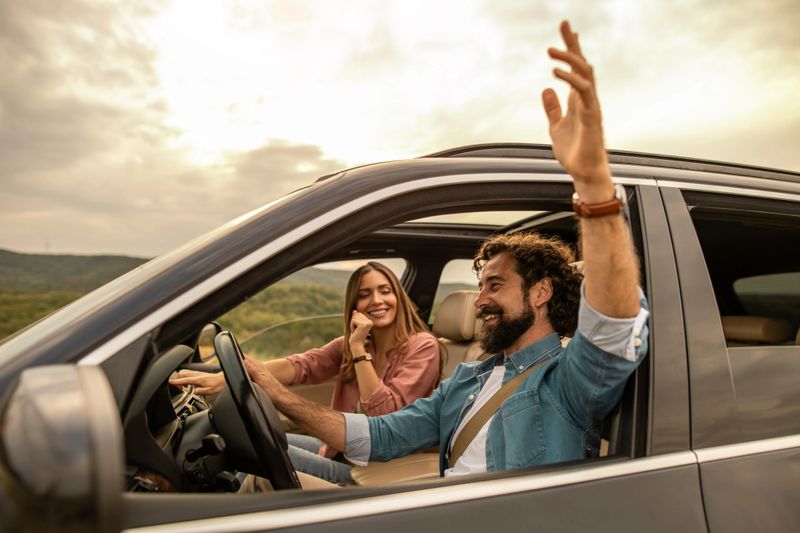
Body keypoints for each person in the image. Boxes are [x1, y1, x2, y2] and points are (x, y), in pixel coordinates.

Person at [242, 19, 650, 481]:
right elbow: (380, 435)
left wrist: (593, 184)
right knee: (255, 474)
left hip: (487, 514)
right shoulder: (469, 378)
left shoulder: (565, 381)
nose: (479, 300)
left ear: (540, 292)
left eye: (495, 285)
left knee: (256, 483)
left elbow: (612, 325)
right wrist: (277, 394)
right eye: (481, 286)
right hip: (437, 505)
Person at [170, 261, 443, 483]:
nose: (376, 300)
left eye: (385, 291)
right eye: (364, 294)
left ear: (398, 297)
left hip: (376, 466)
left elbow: (383, 420)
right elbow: (301, 365)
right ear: (354, 305)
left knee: (258, 459)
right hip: (340, 451)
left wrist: (359, 350)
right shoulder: (353, 343)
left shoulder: (422, 347)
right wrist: (227, 377)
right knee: (253, 440)